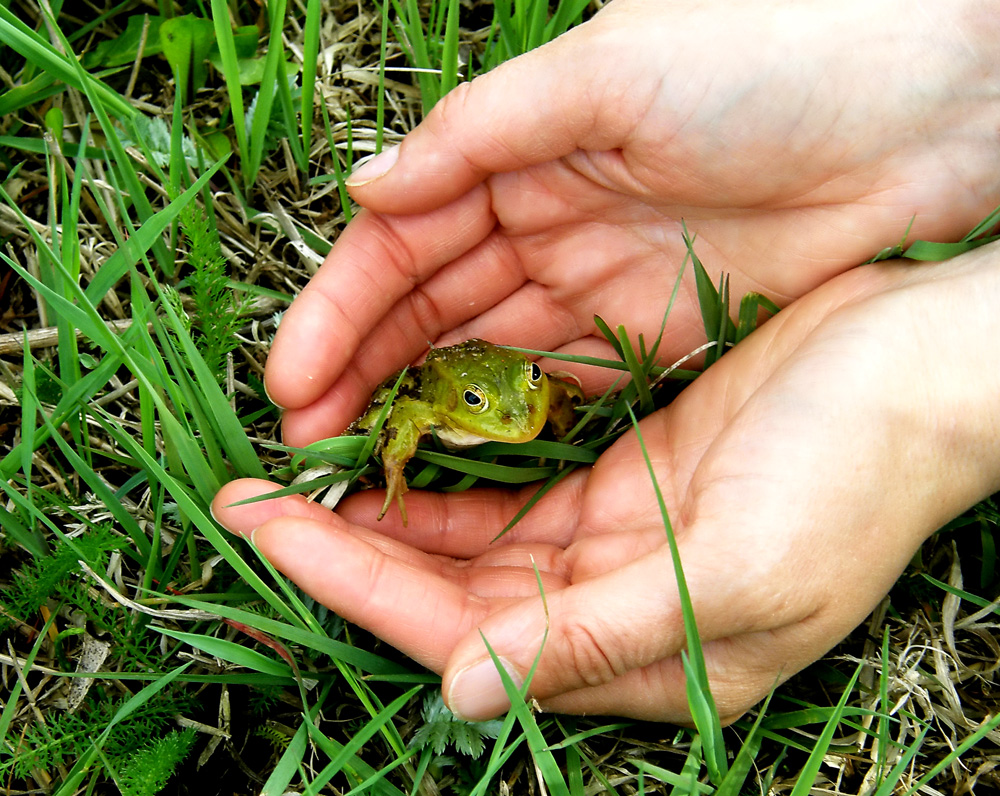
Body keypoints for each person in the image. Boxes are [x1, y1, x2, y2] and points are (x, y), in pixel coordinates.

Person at [212, 0, 1000, 723]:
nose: (520, 418)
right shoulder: (435, 394)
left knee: (540, 389)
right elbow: (410, 409)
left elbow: (538, 384)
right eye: (501, 411)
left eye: (525, 397)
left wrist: (933, 387)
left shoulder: (530, 386)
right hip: (452, 378)